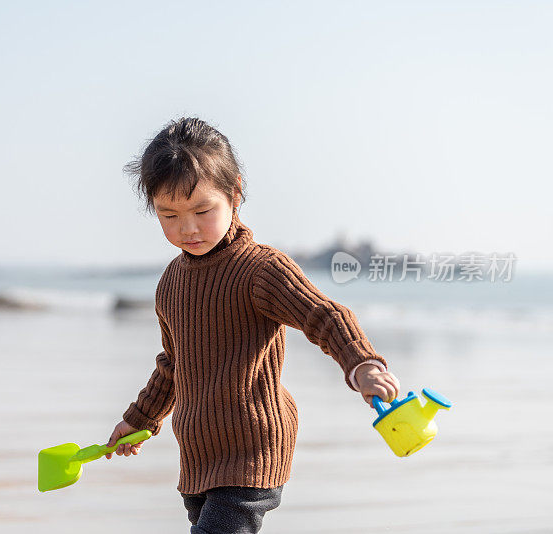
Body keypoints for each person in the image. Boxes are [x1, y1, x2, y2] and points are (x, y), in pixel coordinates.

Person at [104, 117, 401, 534]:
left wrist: (363, 364)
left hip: (251, 449)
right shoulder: (171, 282)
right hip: (198, 455)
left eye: (202, 211)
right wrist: (139, 419)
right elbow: (173, 364)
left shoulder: (261, 269)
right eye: (168, 215)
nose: (186, 228)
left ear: (234, 193)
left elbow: (324, 315)